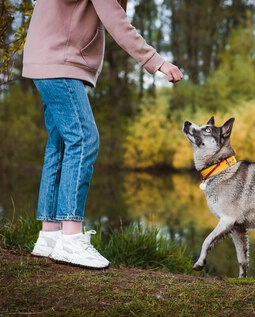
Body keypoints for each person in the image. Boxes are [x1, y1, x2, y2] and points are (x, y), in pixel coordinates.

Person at [22, 0, 182, 269]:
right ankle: (72, 239)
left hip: (44, 60)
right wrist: (158, 62)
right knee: (84, 139)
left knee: (59, 145)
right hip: (61, 62)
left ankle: (49, 236)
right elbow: (116, 21)